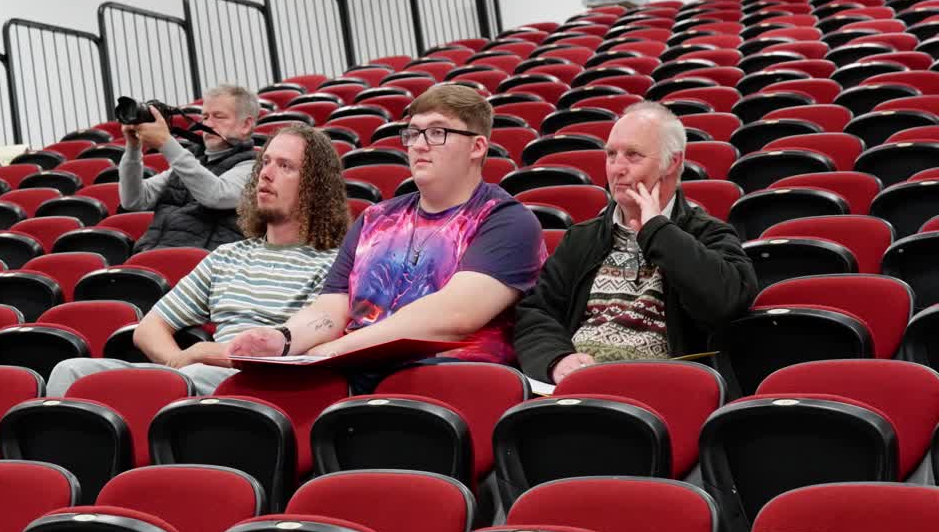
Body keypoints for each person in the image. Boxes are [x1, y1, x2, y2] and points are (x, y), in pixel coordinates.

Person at [228, 84, 546, 393]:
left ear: (476, 147)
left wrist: (338, 349)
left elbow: (455, 315)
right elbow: (332, 307)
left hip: (450, 388)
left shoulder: (507, 221)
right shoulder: (374, 219)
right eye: (413, 133)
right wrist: (283, 338)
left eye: (437, 132)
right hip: (355, 380)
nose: (419, 145)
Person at [48, 123, 348, 395]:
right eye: (266, 162)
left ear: (315, 190)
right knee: (69, 371)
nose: (266, 174)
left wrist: (205, 355)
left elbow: (295, 349)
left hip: (262, 383)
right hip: (199, 373)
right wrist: (177, 361)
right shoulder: (228, 256)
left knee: (193, 375)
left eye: (285, 166)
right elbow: (150, 328)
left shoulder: (334, 264)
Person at [514, 101, 758, 385]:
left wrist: (657, 231)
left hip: (661, 389)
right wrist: (556, 359)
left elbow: (726, 303)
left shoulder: (708, 233)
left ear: (672, 162)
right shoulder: (582, 238)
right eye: (611, 154)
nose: (617, 169)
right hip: (577, 387)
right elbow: (535, 312)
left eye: (633, 155)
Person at [122, 84, 259, 253]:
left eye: (219, 117)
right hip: (152, 259)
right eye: (205, 117)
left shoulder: (255, 168)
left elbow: (216, 195)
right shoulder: (189, 162)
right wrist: (133, 148)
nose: (209, 124)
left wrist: (166, 142)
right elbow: (133, 200)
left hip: (201, 270)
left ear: (246, 125)